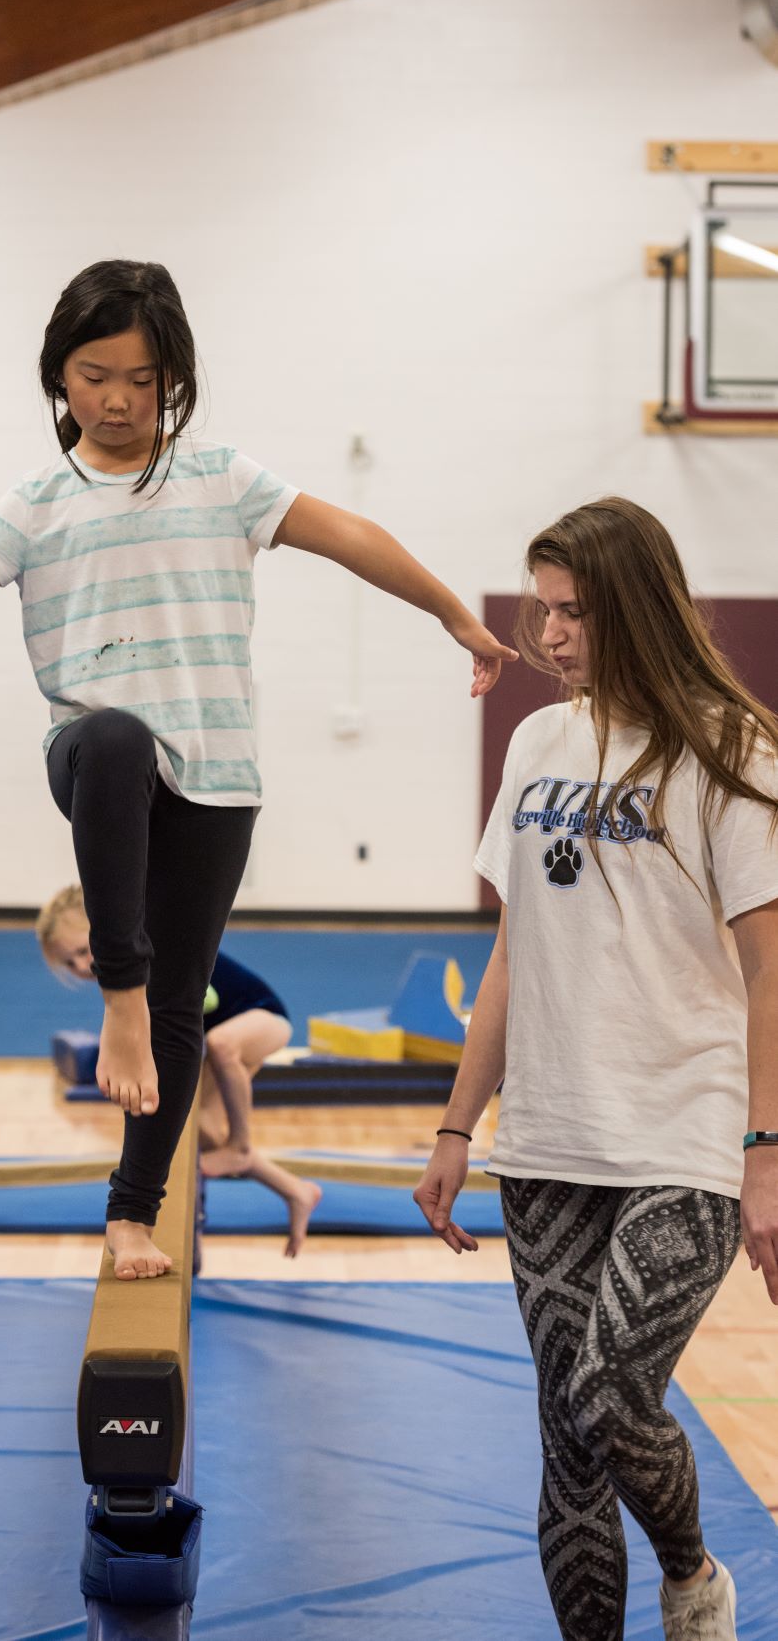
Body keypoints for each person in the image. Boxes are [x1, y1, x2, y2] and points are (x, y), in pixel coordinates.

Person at [0, 258, 514, 1280]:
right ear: (59, 375)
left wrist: (456, 611)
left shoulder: (224, 480)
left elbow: (350, 537)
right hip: (94, 759)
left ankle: (130, 1216)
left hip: (218, 774)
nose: (115, 398)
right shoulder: (38, 502)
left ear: (173, 382)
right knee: (112, 738)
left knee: (186, 996)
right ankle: (118, 997)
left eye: (142, 379)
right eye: (94, 374)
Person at [412, 497, 778, 1641]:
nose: (553, 635)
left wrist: (766, 1152)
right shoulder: (536, 744)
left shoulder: (730, 744)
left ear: (638, 606)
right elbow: (515, 955)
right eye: (544, 609)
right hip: (553, 1138)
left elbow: (771, 969)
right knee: (566, 1440)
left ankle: (691, 1575)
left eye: (577, 611)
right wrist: (458, 1126)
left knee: (611, 1392)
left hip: (687, 1129)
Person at [38, 884, 322, 1256]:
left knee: (222, 1045)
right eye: (68, 963)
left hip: (263, 1018)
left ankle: (241, 1144)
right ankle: (296, 1191)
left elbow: (208, 999)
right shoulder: (120, 973)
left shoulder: (150, 947)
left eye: (80, 951)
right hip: (222, 1038)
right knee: (200, 1130)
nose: (79, 967)